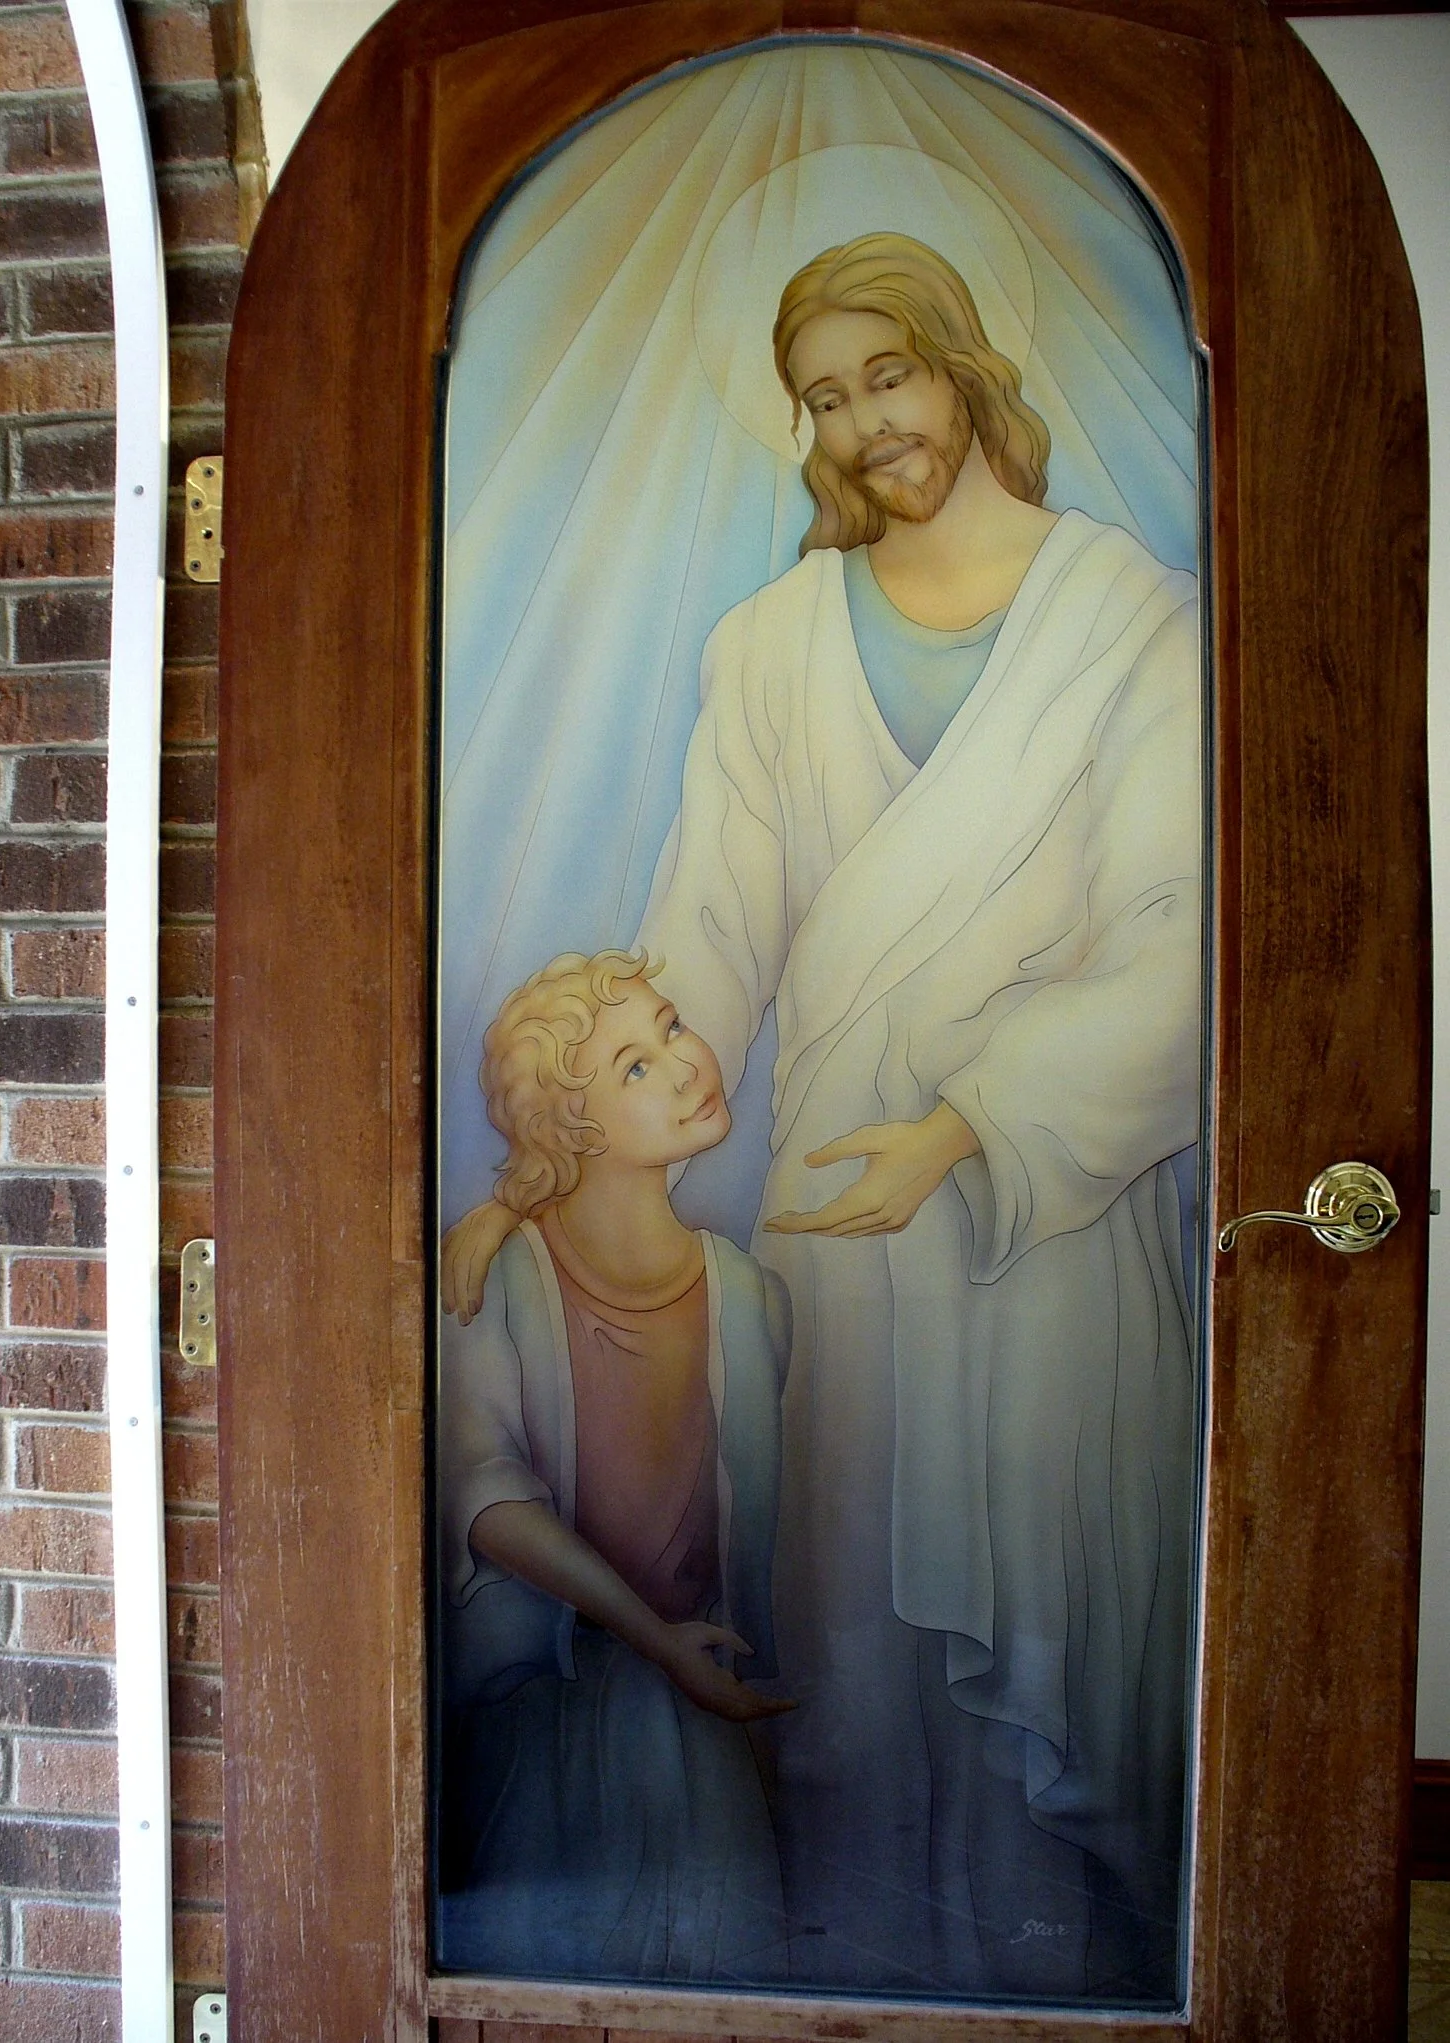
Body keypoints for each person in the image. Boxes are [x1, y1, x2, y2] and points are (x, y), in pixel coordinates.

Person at [442, 236, 1200, 2001]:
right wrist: (538, 1186)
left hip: (1041, 1219)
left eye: (892, 375)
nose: (870, 423)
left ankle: (1070, 1992)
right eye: (827, 397)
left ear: (960, 367)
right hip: (835, 1248)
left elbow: (1182, 957)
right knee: (848, 1645)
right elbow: (700, 951)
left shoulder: (1126, 623)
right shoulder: (769, 648)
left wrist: (961, 1125)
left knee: (1046, 1629)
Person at [436, 949, 794, 1983]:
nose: (687, 1064)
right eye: (635, 1067)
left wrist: (697, 1662)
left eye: (671, 1027)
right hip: (547, 1713)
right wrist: (658, 1643)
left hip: (705, 1717)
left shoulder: (751, 1297)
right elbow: (487, 1499)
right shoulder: (496, 1280)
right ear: (574, 1129)